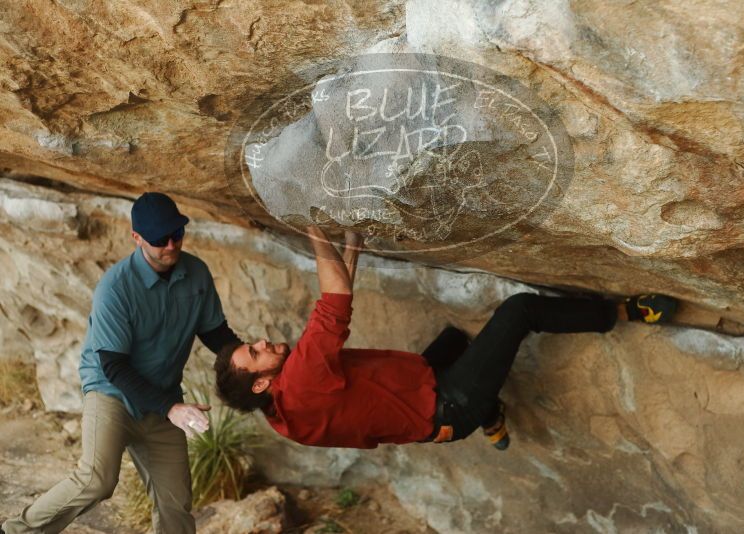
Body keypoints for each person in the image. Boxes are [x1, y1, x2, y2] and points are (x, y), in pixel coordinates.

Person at [213, 226, 677, 451]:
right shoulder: (300, 381)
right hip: (451, 403)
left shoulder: (283, 418)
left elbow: (340, 302)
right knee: (520, 311)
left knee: (453, 339)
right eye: (255, 353)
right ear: (260, 383)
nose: (264, 342)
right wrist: (310, 227)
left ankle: (491, 414)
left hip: (428, 409)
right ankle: (624, 311)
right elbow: (333, 301)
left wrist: (351, 253)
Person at [2, 192, 241, 534]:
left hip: (162, 398)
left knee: (176, 504)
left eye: (178, 234)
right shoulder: (115, 288)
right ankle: (15, 530)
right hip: (112, 393)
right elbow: (114, 367)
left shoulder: (197, 273)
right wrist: (171, 408)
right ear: (137, 237)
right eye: (160, 239)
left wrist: (253, 360)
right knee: (98, 480)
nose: (172, 245)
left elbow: (217, 334)